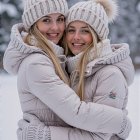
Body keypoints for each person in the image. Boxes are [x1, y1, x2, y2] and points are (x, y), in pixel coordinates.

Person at [3, 0, 134, 140]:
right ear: (34, 24)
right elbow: (76, 112)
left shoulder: (107, 73)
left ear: (98, 35)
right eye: (46, 20)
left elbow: (99, 135)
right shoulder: (37, 63)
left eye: (60, 19)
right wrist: (120, 122)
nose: (55, 27)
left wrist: (45, 134)